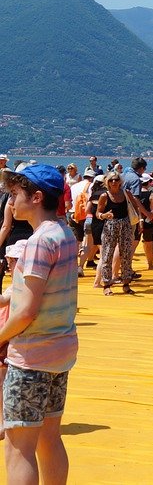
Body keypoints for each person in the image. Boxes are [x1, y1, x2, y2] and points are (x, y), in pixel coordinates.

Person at [0, 163, 78, 485]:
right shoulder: (64, 233)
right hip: (60, 353)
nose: (10, 202)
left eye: (14, 194)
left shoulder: (37, 243)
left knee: (18, 448)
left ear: (36, 197)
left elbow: (26, 312)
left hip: (32, 356)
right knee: (49, 437)